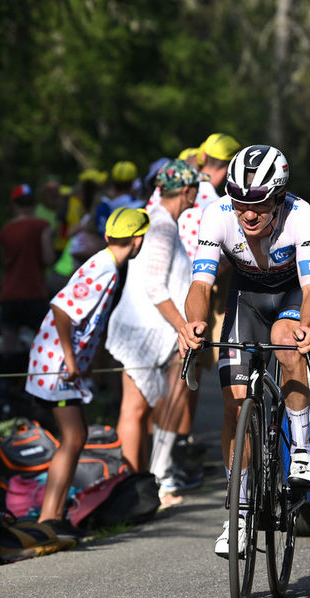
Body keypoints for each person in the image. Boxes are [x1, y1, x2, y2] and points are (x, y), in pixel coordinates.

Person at [176, 144, 310, 558]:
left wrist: (307, 328)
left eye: (258, 202)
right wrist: (194, 323)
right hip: (246, 298)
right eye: (240, 201)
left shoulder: (301, 215)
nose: (248, 213)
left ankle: (300, 450)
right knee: (234, 405)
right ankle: (238, 516)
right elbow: (201, 285)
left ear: (278, 196)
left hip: (291, 296)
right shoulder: (217, 215)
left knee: (285, 341)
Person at [22, 206, 149, 539]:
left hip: (60, 362)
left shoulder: (107, 263)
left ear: (108, 236)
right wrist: (71, 358)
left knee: (75, 438)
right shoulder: (104, 268)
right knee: (74, 437)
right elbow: (61, 309)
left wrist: (87, 358)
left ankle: (55, 515)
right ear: (138, 241)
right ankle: (49, 517)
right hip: (56, 364)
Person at [106, 161, 201, 495]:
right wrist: (183, 327)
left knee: (152, 405)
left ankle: (148, 482)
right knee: (134, 409)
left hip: (152, 328)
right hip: (143, 331)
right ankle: (129, 489)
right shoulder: (161, 225)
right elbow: (154, 286)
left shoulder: (161, 221)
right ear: (187, 191)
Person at [0, 184, 56, 355]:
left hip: (9, 294)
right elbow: (48, 259)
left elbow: (5, 260)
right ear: (33, 204)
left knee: (8, 344)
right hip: (34, 293)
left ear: (14, 204)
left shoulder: (6, 230)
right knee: (45, 342)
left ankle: (6, 380)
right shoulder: (41, 226)